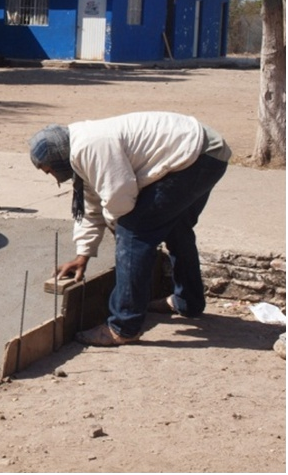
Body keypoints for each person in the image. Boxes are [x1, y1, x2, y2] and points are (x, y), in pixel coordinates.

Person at [28, 111, 231, 346]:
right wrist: (83, 255)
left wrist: (122, 233)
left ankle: (123, 327)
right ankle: (187, 302)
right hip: (206, 151)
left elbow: (120, 198)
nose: (51, 176)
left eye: (48, 169)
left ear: (58, 158)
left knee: (133, 232)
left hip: (195, 156)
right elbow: (92, 206)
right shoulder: (80, 150)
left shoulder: (90, 147)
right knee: (176, 229)